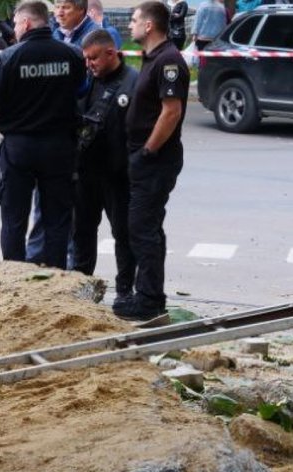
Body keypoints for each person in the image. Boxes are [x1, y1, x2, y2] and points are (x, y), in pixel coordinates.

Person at [0, 0, 84, 267]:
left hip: (19, 147)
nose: (14, 28)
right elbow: (80, 92)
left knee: (14, 218)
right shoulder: (72, 54)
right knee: (57, 219)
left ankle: (15, 279)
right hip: (60, 147)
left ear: (26, 23)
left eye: (15, 23)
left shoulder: (11, 56)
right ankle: (54, 278)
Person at [117, 0, 188, 321]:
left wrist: (148, 150)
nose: (129, 25)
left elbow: (171, 111)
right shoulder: (154, 57)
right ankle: (150, 295)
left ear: (149, 26)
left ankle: (147, 299)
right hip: (146, 157)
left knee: (142, 228)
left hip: (155, 159)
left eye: (133, 20)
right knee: (147, 227)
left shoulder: (169, 60)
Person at [72, 29, 138, 289]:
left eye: (94, 58)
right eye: (86, 59)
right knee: (82, 234)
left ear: (111, 53)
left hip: (118, 175)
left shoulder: (133, 82)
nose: (89, 64)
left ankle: (124, 290)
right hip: (86, 172)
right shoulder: (86, 80)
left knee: (123, 235)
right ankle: (82, 287)